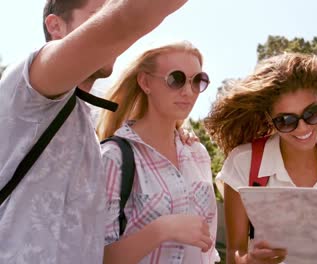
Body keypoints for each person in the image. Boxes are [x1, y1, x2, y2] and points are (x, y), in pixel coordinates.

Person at [0, 0, 188, 262]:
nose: (108, 21)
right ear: (55, 26)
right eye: (99, 14)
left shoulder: (88, 118)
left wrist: (178, 136)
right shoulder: (29, 84)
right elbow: (129, 17)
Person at [204, 53, 317, 264]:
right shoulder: (243, 163)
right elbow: (234, 252)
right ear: (269, 119)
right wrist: (250, 261)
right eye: (286, 120)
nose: (303, 127)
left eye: (312, 113)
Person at [96, 41, 219, 264]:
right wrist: (162, 229)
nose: (188, 91)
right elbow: (95, 256)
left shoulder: (198, 153)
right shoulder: (113, 158)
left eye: (198, 81)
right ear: (145, 82)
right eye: (176, 79)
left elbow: (207, 251)